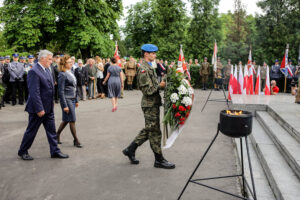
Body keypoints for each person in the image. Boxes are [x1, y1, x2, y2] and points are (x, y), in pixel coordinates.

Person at [122, 44, 175, 169]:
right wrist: (160, 85)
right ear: (146, 54)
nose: (155, 55)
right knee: (154, 131)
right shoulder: (143, 69)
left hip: (153, 103)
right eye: (153, 53)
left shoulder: (150, 67)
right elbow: (147, 90)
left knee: (150, 129)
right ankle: (159, 160)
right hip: (149, 104)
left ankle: (130, 149)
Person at [18, 50, 69, 160]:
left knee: (51, 131)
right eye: (50, 59)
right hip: (38, 109)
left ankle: (55, 151)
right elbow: (34, 92)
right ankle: (23, 151)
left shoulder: (47, 69)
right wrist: (39, 108)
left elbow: (49, 88)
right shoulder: (34, 71)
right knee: (32, 131)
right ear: (42, 58)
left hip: (48, 107)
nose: (52, 61)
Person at [56, 55, 82, 148]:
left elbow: (74, 87)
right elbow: (61, 91)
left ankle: (57, 134)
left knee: (66, 120)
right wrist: (64, 105)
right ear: (64, 63)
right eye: (69, 62)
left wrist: (76, 100)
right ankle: (76, 140)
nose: (71, 63)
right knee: (72, 120)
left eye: (72, 62)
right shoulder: (62, 74)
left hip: (72, 98)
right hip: (66, 99)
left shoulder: (70, 72)